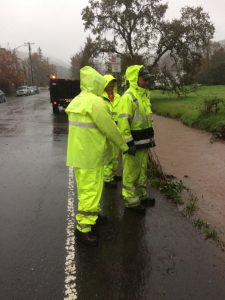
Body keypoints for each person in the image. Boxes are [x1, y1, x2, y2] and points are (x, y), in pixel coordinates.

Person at [66, 66, 128, 246]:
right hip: (91, 155)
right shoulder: (96, 103)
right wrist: (124, 145)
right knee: (89, 191)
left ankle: (93, 217)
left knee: (91, 189)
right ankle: (83, 229)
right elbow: (109, 128)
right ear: (95, 83)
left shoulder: (78, 100)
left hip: (80, 155)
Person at [117, 65, 156, 214]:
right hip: (133, 145)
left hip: (144, 143)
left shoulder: (145, 95)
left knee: (141, 171)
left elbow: (147, 119)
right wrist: (129, 143)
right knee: (130, 173)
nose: (147, 82)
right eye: (144, 79)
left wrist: (150, 138)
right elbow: (122, 123)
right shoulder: (128, 97)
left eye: (148, 79)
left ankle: (142, 196)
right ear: (135, 79)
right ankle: (131, 201)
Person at [102, 74, 122, 188]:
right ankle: (107, 178)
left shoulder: (118, 97)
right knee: (108, 155)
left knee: (115, 155)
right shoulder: (100, 98)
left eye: (113, 83)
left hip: (117, 130)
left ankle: (113, 174)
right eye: (109, 83)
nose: (111, 85)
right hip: (107, 131)